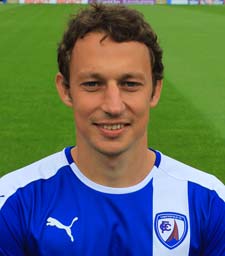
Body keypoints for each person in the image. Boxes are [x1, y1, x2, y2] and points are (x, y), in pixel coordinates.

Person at [0, 3, 224, 255]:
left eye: (129, 83)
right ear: (65, 89)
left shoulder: (209, 203)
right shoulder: (14, 204)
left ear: (155, 90)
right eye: (93, 84)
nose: (113, 106)